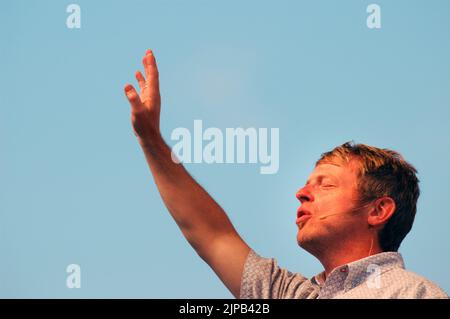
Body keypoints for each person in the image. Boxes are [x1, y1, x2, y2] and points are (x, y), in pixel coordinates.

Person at [123, 49, 448, 299]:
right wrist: (151, 139)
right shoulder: (290, 294)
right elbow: (212, 236)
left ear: (378, 210)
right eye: (308, 184)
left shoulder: (413, 293)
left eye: (326, 184)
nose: (301, 193)